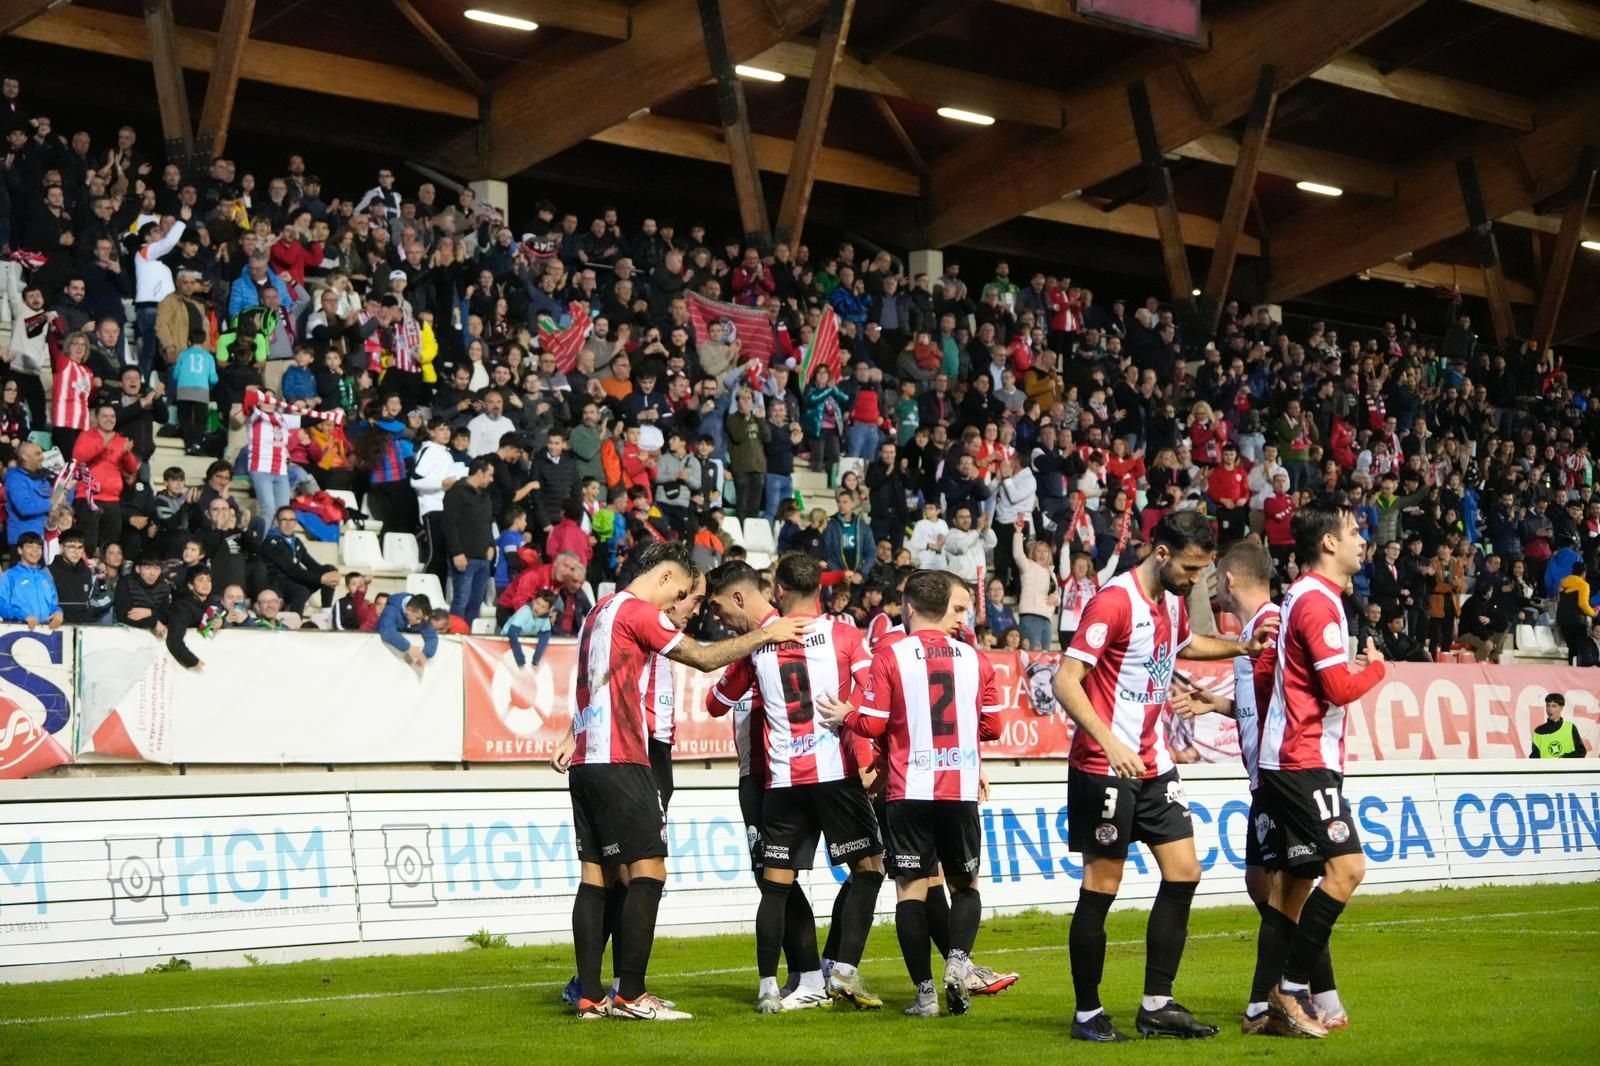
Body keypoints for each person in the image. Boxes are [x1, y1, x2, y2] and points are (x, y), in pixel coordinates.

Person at [553, 541, 810, 1022]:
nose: (689, 605)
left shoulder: (598, 613)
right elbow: (706, 659)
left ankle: (589, 995)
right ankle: (631, 995)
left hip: (589, 759)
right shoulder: (638, 611)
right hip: (623, 756)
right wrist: (765, 633)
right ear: (669, 580)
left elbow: (598, 681)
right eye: (689, 594)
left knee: (595, 876)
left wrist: (573, 733)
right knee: (648, 872)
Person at [1051, 510, 1276, 1042]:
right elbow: (1066, 679)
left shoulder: (1169, 603)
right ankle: (1087, 1013)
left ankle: (1157, 1004)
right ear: (1161, 554)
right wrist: (1110, 741)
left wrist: (1242, 648)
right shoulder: (1114, 601)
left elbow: (1186, 643)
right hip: (1105, 766)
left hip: (1153, 763)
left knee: (1184, 872)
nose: (1198, 580)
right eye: (1192, 568)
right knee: (1102, 884)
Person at [1174, 540, 1346, 1035]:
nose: (1210, 585)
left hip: (1284, 776)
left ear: (1228, 579)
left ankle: (1289, 1002)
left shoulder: (1273, 626)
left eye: (1214, 577)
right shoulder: (1255, 632)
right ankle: (1303, 997)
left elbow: (1292, 706)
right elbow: (1266, 706)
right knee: (1264, 887)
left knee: (1287, 892)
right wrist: (1219, 706)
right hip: (1264, 781)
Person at [705, 554, 884, 1015]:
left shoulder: (757, 645)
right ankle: (841, 969)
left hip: (780, 780)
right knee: (870, 868)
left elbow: (715, 701)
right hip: (835, 775)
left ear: (779, 590)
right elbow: (871, 693)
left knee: (775, 885)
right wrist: (856, 728)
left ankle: (769, 987)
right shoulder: (845, 635)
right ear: (820, 589)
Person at [819, 569, 1000, 1018]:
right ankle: (958, 962)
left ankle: (925, 996)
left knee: (911, 893)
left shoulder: (889, 654)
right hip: (958, 788)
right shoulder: (976, 660)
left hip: (907, 790)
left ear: (910, 607)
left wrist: (846, 714)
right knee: (964, 886)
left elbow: (873, 723)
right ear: (946, 609)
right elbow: (993, 726)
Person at [1255, 500, 1389, 1038]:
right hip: (1301, 759)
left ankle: (1269, 1006)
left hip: (1296, 757)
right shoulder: (1316, 603)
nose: (1363, 540)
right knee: (1348, 869)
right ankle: (1289, 991)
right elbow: (1337, 688)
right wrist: (1376, 669)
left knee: (1293, 886)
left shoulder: (1314, 599)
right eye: (1354, 531)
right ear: (1328, 543)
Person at [443, 455, 497, 622]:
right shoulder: (457, 492)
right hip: (465, 557)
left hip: (482, 557)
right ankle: (455, 633)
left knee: (475, 602)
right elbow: (449, 524)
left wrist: (491, 545)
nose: (491, 479)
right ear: (479, 473)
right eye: (489, 474)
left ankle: (469, 635)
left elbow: (487, 523)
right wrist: (457, 552)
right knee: (461, 600)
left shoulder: (485, 497)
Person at [0, 532, 63, 629]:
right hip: (17, 631)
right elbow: (1, 604)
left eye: (39, 547)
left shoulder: (45, 576)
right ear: (20, 550)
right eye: (30, 546)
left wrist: (58, 612)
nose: (35, 551)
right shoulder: (9, 576)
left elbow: (52, 604)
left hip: (45, 633)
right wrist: (23, 616)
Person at [378, 591, 438, 672]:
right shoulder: (391, 610)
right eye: (417, 618)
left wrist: (424, 655)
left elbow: (432, 637)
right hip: (382, 660)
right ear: (408, 610)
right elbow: (387, 631)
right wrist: (408, 648)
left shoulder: (420, 613)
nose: (420, 622)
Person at [1530, 693, 1587, 759]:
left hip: (1567, 769)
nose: (1550, 709)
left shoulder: (1570, 728)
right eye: (1548, 705)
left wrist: (1564, 758)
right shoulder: (1538, 731)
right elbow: (1534, 758)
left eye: (1554, 706)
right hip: (1547, 769)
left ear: (1561, 708)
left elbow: (1581, 752)